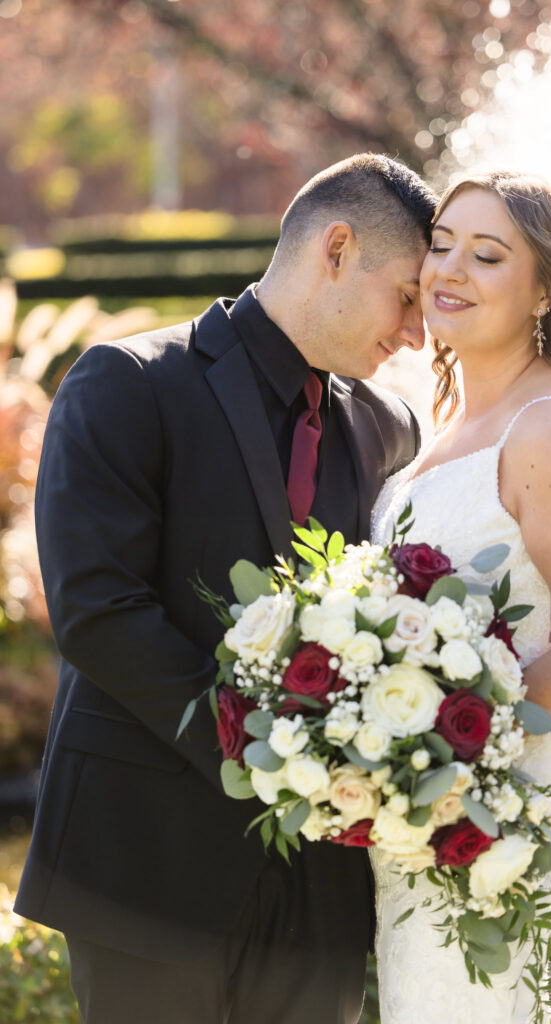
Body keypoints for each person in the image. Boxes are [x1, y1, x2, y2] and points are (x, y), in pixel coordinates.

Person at [15, 153, 437, 1024]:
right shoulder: (127, 383)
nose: (415, 335)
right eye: (405, 297)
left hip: (321, 892)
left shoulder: (391, 427)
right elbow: (98, 612)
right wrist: (271, 761)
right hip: (144, 867)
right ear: (336, 247)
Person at [370, 170, 551, 1023]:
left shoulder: (550, 428)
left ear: (542, 291)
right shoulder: (448, 422)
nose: (448, 270)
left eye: (486, 255)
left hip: (486, 820)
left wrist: (444, 744)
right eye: (441, 245)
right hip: (423, 819)